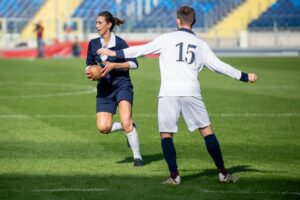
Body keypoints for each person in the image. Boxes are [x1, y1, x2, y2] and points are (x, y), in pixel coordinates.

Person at [98, 6, 258, 184]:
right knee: (206, 131)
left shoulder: (167, 38)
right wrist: (245, 76)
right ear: (194, 22)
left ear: (178, 21)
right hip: (191, 92)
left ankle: (174, 176)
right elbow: (220, 66)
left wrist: (115, 53)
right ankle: (222, 173)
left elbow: (143, 49)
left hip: (168, 93)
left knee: (166, 135)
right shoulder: (200, 44)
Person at [85, 11, 143, 166]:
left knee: (125, 121)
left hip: (122, 85)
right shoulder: (93, 44)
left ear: (109, 25)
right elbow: (89, 64)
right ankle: (131, 126)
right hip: (104, 90)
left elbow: (134, 64)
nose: (97, 26)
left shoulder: (120, 43)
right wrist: (90, 73)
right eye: (96, 23)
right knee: (103, 127)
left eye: (100, 23)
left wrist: (115, 65)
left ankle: (137, 157)